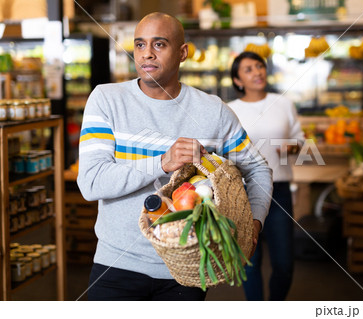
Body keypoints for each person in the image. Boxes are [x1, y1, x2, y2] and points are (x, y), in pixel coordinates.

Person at [77, 13, 272, 301]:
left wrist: (252, 224)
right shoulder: (106, 99)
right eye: (140, 45)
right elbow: (91, 183)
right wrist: (161, 163)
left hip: (187, 272)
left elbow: (258, 169)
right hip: (116, 268)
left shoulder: (213, 111)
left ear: (182, 53)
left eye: (159, 44)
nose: (147, 54)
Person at [228, 51, 304, 301]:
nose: (257, 72)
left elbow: (300, 139)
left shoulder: (283, 102)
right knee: (250, 258)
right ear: (237, 80)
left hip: (279, 189)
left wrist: (293, 146)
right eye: (248, 69)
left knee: (284, 263)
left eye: (259, 66)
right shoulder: (229, 110)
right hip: (243, 191)